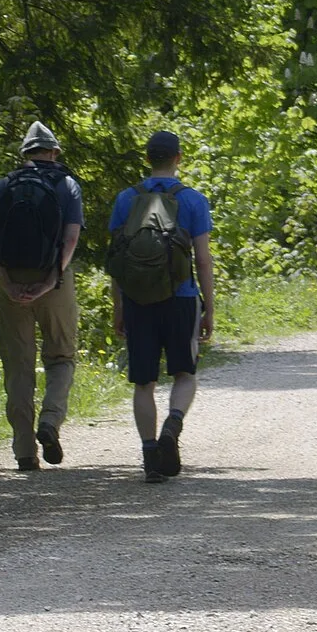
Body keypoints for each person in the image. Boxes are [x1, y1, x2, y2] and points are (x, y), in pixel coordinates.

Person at [108, 130, 215, 483]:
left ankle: (150, 454)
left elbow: (117, 260)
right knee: (185, 373)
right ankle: (174, 423)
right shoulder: (193, 200)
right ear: (178, 158)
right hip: (181, 298)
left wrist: (118, 305)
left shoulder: (126, 199)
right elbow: (202, 259)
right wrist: (208, 307)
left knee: (144, 382)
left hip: (138, 300)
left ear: (148, 158)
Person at [0, 122, 84, 472]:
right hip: (54, 280)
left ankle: (24, 452)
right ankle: (50, 422)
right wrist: (51, 279)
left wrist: (6, 280)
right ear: (54, 152)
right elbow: (69, 239)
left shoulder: (5, 185)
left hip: (11, 281)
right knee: (61, 356)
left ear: (24, 154)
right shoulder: (67, 185)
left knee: (18, 367)